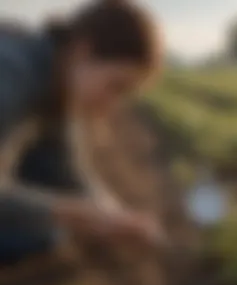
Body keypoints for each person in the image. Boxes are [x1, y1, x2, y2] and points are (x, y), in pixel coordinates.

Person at [0, 0, 165, 263]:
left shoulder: (56, 76)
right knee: (41, 232)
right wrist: (65, 212)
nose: (113, 105)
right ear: (83, 51)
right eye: (115, 86)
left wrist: (114, 215)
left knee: (45, 191)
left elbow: (64, 166)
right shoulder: (11, 74)